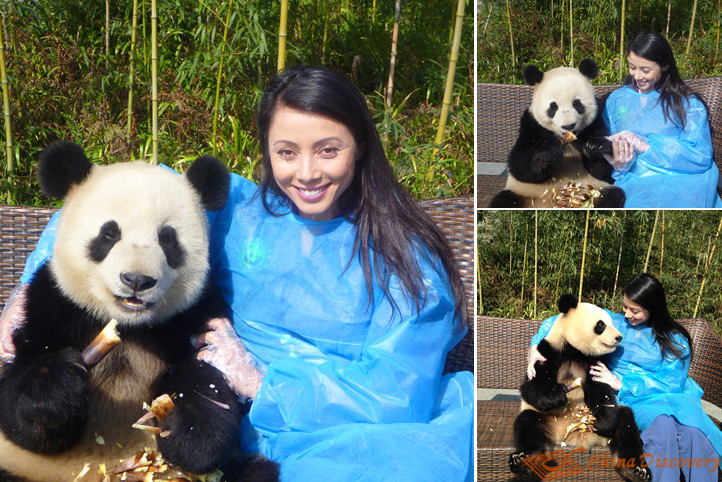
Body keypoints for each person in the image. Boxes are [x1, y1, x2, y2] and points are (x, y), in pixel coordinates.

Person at [0, 66, 474, 481]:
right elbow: (111, 197)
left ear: (361, 146)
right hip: (210, 421)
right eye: (287, 152)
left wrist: (263, 384)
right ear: (266, 148)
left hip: (344, 435)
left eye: (328, 150)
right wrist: (27, 287)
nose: (306, 173)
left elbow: (398, 393)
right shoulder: (236, 212)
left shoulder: (406, 258)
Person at [528, 274, 722, 481]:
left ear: (653, 307)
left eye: (634, 310)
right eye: (625, 307)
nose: (627, 314)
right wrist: (536, 346)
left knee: (694, 434)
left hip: (673, 398)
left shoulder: (676, 339)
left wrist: (623, 382)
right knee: (663, 427)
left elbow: (672, 383)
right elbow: (565, 319)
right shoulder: (616, 322)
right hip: (632, 399)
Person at [600, 30, 722, 208]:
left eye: (645, 70)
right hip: (633, 180)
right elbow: (607, 144)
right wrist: (618, 164)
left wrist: (647, 146)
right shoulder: (616, 99)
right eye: (632, 67)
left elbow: (700, 156)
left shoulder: (688, 103)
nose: (637, 76)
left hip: (683, 180)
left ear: (665, 66)